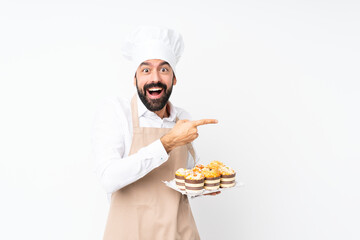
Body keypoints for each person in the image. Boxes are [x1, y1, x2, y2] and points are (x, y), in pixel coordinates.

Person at [91, 26, 218, 240]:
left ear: (174, 78)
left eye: (164, 69)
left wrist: (203, 186)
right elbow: (109, 178)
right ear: (135, 79)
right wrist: (167, 143)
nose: (155, 78)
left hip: (179, 234)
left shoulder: (182, 118)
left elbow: (181, 181)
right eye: (146, 70)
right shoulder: (116, 112)